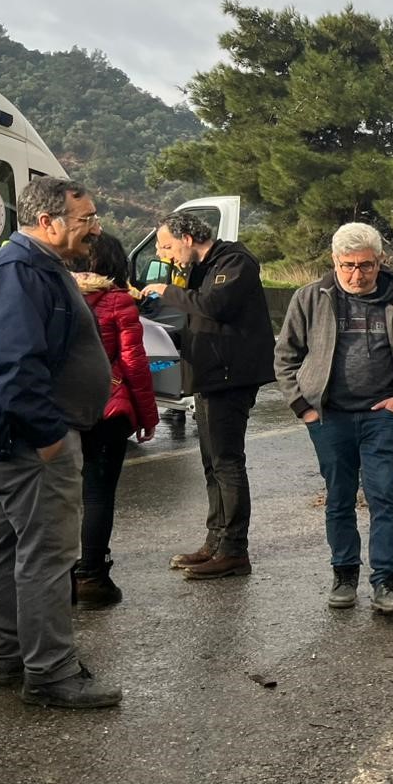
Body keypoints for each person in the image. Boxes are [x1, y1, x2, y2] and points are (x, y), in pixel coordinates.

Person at [0, 178, 122, 708]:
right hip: (35, 442)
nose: (95, 228)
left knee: (5, 547)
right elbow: (14, 366)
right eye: (85, 219)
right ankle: (51, 674)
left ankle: (9, 658)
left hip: (25, 438)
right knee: (47, 555)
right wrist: (49, 440)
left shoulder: (36, 267)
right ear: (49, 222)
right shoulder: (19, 270)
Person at [274, 223, 393, 614]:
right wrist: (305, 409)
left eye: (365, 265)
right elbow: (285, 359)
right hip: (329, 417)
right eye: (348, 265)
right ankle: (344, 574)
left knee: (384, 496)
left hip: (382, 417)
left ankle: (386, 583)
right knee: (339, 498)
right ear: (335, 261)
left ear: (380, 261)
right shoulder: (310, 299)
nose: (356, 274)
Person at [140, 211, 274, 580]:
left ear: (187, 237)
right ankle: (215, 541)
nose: (164, 255)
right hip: (209, 375)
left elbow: (214, 306)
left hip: (230, 377)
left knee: (227, 462)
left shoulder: (234, 262)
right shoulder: (202, 267)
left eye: (166, 246)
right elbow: (198, 318)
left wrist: (166, 291)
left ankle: (234, 551)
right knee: (212, 463)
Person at [73, 231, 159, 606]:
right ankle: (92, 577)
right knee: (97, 494)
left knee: (58, 496)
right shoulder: (118, 301)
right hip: (108, 408)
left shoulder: (54, 293)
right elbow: (134, 363)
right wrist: (148, 416)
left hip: (60, 410)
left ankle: (56, 578)